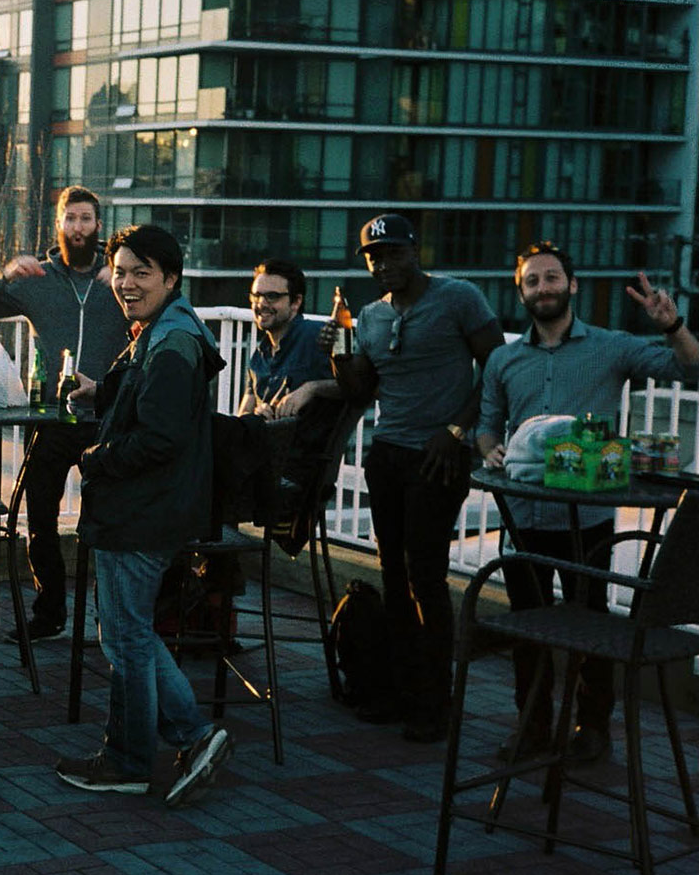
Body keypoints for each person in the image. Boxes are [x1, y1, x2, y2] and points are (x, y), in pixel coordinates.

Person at [477, 243, 699, 763]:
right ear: (522, 292)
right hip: (524, 515)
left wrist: (672, 326)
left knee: (592, 624)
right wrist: (491, 451)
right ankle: (532, 727)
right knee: (528, 625)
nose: (544, 288)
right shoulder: (503, 359)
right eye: (533, 281)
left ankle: (592, 729)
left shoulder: (611, 347)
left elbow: (691, 370)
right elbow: (488, 426)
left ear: (572, 285)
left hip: (590, 518)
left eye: (553, 278)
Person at [53, 224, 234, 805]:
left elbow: (160, 436)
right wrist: (98, 392)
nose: (127, 284)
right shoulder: (167, 329)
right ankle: (189, 737)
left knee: (126, 636)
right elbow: (148, 399)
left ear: (171, 278)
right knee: (127, 631)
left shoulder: (173, 342)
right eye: (121, 273)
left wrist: (94, 458)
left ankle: (136, 757)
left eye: (142, 274)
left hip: (141, 511)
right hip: (154, 509)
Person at [334, 214, 506, 742]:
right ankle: (399, 691)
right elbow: (360, 391)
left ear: (415, 251)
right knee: (392, 574)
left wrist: (457, 431)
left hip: (440, 457)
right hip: (388, 455)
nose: (383, 264)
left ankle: (437, 702)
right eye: (373, 256)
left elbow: (497, 369)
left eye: (393, 253)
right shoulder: (369, 315)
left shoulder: (459, 298)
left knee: (424, 576)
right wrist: (341, 342)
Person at [0, 185, 130, 643]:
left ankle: (110, 616)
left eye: (86, 219)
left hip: (106, 418)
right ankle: (49, 611)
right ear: (58, 225)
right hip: (54, 418)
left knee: (107, 520)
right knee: (38, 513)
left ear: (99, 227)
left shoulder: (118, 277)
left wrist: (120, 276)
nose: (78, 227)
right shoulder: (37, 277)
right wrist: (4, 274)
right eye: (70, 219)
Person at [236, 258, 339, 419]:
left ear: (296, 302)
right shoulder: (259, 356)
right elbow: (242, 418)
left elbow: (356, 385)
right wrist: (258, 414)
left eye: (272, 296)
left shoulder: (315, 335)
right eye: (256, 296)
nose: (261, 303)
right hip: (269, 440)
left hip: (307, 442)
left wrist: (311, 388)